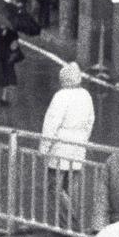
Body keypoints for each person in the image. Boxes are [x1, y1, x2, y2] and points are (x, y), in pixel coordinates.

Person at [40, 61, 96, 216]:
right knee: (72, 187)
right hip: (78, 144)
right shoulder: (86, 95)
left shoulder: (61, 96)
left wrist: (44, 147)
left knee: (54, 188)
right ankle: (70, 221)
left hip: (61, 145)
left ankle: (69, 219)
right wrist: (84, 138)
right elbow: (91, 120)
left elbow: (51, 124)